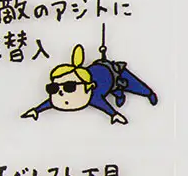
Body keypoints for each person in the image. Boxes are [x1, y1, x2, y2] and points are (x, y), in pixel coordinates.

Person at [21, 44, 158, 124]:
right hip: (104, 77)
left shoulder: (93, 96)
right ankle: (119, 94)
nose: (60, 92)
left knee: (136, 86)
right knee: (117, 92)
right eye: (53, 88)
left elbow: (105, 106)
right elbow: (49, 103)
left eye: (69, 87)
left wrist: (114, 115)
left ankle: (147, 94)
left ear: (89, 86)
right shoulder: (67, 96)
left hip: (114, 73)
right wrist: (36, 110)